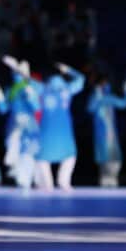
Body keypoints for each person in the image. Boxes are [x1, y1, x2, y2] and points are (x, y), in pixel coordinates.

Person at [32, 62, 85, 191]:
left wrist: (18, 69)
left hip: (46, 129)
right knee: (70, 155)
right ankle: (63, 181)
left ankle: (48, 182)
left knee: (42, 157)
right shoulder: (66, 90)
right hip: (63, 130)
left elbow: (27, 81)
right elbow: (81, 79)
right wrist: (68, 69)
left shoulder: (43, 89)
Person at [0, 56, 41, 190]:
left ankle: (28, 180)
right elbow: (4, 109)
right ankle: (21, 179)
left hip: (28, 125)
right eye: (15, 72)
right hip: (14, 125)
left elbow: (36, 107)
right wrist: (0, 99)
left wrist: (31, 96)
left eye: (19, 72)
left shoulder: (30, 87)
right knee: (13, 149)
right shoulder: (10, 89)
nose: (16, 75)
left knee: (27, 153)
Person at [86, 75, 126, 188]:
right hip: (101, 133)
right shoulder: (95, 97)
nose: (105, 86)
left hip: (111, 132)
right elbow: (90, 109)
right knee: (103, 157)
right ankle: (105, 179)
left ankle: (112, 178)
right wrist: (96, 97)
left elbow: (124, 104)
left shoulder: (109, 97)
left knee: (115, 157)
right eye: (103, 84)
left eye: (106, 84)